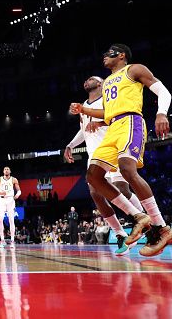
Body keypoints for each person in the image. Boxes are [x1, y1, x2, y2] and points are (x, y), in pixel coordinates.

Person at [70, 43, 172, 257]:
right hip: (113, 128)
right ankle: (138, 216)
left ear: (121, 55)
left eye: (107, 54)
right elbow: (107, 112)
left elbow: (162, 90)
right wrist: (84, 110)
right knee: (94, 177)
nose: (103, 57)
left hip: (130, 121)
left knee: (127, 169)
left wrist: (161, 113)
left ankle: (161, 227)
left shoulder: (134, 69)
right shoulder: (108, 81)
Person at [65, 76, 144, 255]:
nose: (87, 80)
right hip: (94, 155)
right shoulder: (82, 106)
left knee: (122, 189)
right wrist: (70, 144)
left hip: (112, 149)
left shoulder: (108, 99)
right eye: (85, 80)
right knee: (96, 194)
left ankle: (144, 221)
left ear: (100, 83)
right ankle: (120, 234)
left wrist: (99, 122)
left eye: (91, 79)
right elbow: (83, 130)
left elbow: (118, 119)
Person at [0, 166, 21, 249]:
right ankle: (2, 240)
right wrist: (0, 193)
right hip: (2, 200)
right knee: (0, 219)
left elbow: (19, 190)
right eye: (5, 169)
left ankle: (12, 240)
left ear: (10, 171)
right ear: (3, 171)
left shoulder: (14, 179)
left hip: (10, 200)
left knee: (11, 220)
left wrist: (17, 195)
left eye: (7, 169)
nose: (6, 170)